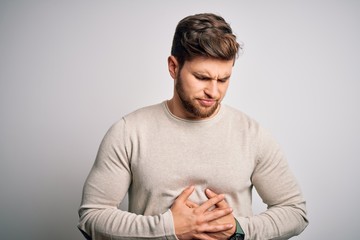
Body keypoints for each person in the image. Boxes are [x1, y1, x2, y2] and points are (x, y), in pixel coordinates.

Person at [78, 13, 308, 240]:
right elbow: (92, 217)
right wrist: (169, 229)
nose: (213, 92)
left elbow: (295, 212)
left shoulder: (252, 135)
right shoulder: (129, 131)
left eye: (223, 79)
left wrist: (238, 229)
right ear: (173, 67)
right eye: (202, 77)